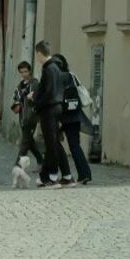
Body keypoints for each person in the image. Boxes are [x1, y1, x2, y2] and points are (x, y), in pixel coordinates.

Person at [34, 41, 73, 186]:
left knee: (51, 144)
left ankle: (51, 176)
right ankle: (66, 176)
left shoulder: (48, 69)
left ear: (39, 53)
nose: (37, 58)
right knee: (54, 143)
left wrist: (36, 102)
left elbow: (49, 92)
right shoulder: (56, 67)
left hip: (49, 109)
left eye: (37, 55)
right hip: (56, 107)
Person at [52, 52, 93, 185]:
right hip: (75, 115)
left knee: (54, 145)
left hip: (62, 116)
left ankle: (58, 175)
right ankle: (84, 173)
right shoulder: (71, 75)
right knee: (75, 146)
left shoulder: (56, 78)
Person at [11, 60, 48, 174]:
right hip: (22, 117)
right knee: (30, 142)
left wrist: (28, 98)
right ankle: (41, 161)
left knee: (25, 143)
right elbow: (16, 99)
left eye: (25, 71)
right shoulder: (20, 85)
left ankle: (17, 166)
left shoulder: (34, 84)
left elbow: (36, 99)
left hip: (31, 116)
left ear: (30, 71)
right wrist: (16, 105)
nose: (23, 74)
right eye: (21, 72)